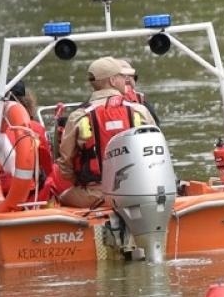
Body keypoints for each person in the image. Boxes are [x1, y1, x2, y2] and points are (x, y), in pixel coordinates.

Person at [56, 57, 155, 209]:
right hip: (138, 190)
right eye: (123, 77)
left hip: (96, 194)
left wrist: (79, 182)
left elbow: (65, 164)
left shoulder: (78, 116)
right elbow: (156, 149)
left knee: (61, 198)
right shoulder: (139, 110)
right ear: (113, 80)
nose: (126, 80)